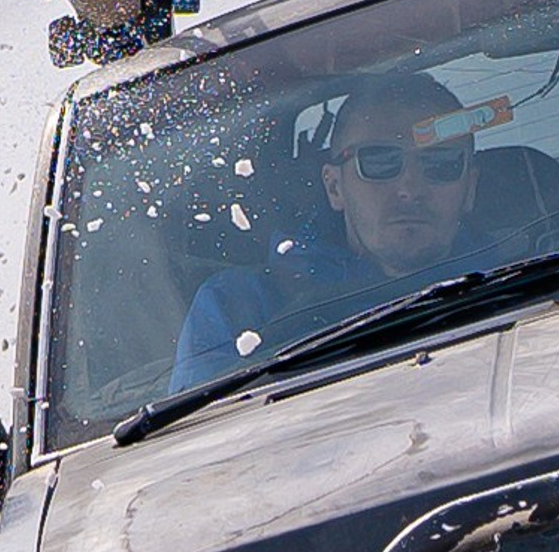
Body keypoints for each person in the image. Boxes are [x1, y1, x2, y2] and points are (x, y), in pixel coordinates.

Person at [171, 69, 499, 391]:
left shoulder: (528, 275)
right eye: (380, 161)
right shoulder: (238, 307)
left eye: (440, 163)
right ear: (334, 186)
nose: (409, 188)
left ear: (470, 187)